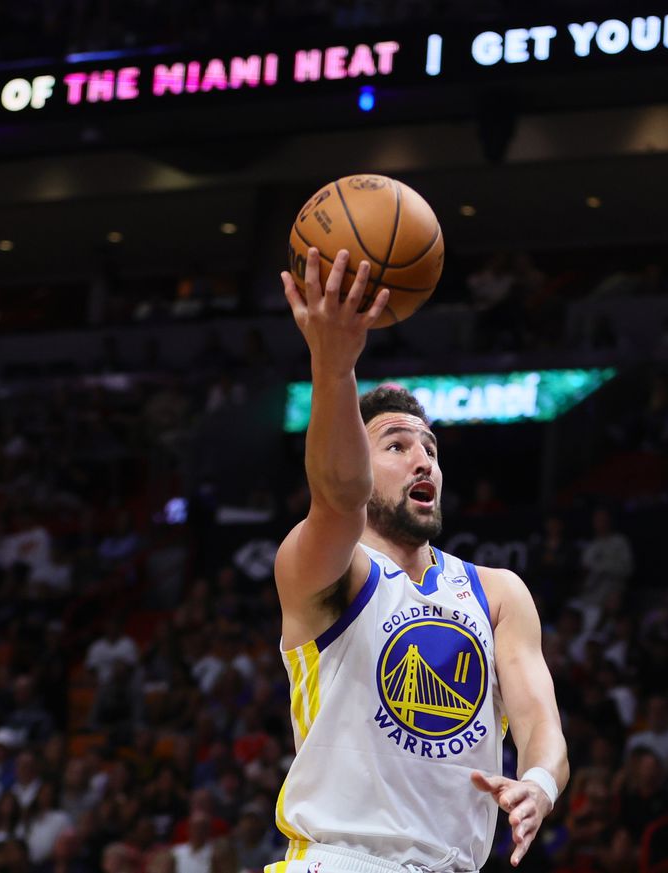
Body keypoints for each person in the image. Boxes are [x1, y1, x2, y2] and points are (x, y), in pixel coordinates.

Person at [273, 249, 569, 871]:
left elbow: (542, 725)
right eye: (397, 444)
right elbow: (337, 494)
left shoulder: (496, 593)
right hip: (342, 860)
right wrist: (335, 367)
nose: (423, 460)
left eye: (431, 448)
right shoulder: (328, 572)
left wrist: (538, 785)